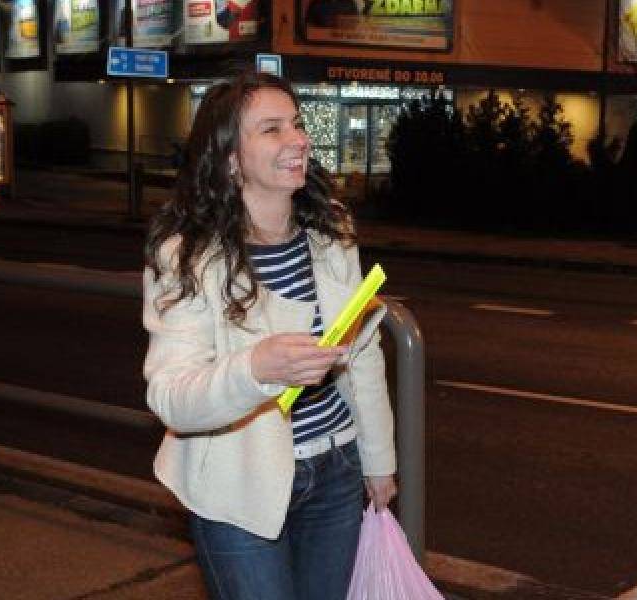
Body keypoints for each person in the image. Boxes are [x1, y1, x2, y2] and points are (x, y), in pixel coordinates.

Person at [142, 70, 396, 600]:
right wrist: (255, 368)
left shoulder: (331, 233)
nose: (299, 139)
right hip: (238, 483)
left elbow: (363, 355)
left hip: (336, 470)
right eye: (273, 128)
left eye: (297, 125)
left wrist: (377, 460)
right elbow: (171, 397)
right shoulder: (188, 256)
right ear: (231, 158)